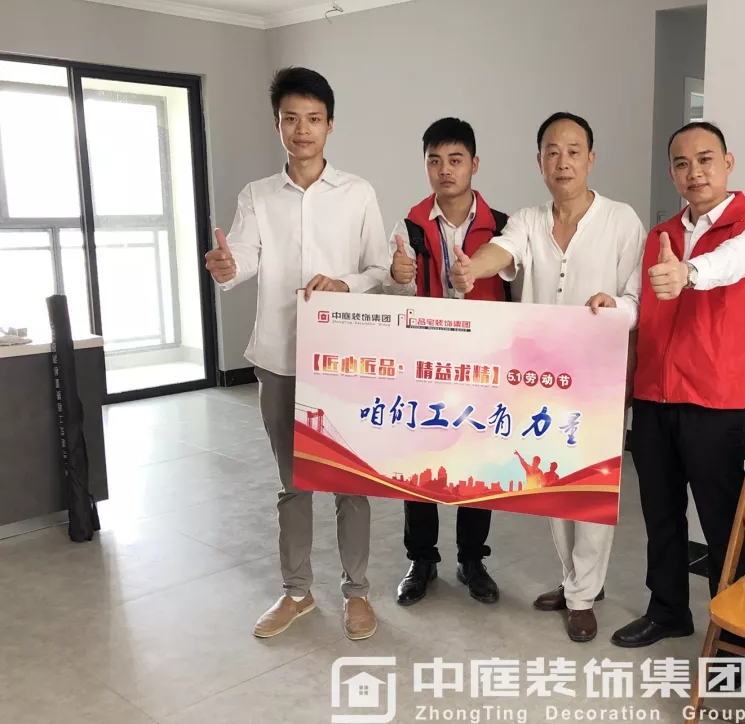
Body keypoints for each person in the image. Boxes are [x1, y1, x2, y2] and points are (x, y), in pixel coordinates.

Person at [204, 67, 390, 641]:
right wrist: (228, 267)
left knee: (350, 481)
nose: (302, 130)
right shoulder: (257, 195)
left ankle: (357, 593)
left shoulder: (358, 193)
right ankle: (297, 591)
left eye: (313, 119)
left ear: (330, 125)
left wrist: (344, 284)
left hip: (342, 360)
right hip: (280, 356)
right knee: (293, 482)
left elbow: (380, 267)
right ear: (277, 125)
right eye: (291, 119)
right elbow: (243, 256)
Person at [448, 112, 645, 642]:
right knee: (553, 482)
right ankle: (575, 580)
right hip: (539, 380)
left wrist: (616, 307)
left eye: (573, 151)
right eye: (552, 152)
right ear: (539, 162)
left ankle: (583, 595)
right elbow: (503, 251)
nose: (563, 162)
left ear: (591, 159)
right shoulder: (529, 220)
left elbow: (636, 298)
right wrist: (471, 267)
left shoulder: (622, 221)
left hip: (598, 377)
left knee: (592, 488)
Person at [612, 121, 745, 663]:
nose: (695, 172)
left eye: (705, 159)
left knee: (723, 524)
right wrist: (612, 308)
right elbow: (640, 301)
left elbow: (731, 264)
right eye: (682, 163)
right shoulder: (660, 234)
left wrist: (687, 272)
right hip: (653, 399)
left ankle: (737, 639)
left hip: (714, 403)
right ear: (672, 172)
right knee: (660, 514)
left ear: (728, 163)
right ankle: (668, 610)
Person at [384, 117, 508, 607]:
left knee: (479, 460)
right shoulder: (410, 226)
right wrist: (398, 276)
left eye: (455, 160)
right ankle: (422, 559)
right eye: (434, 161)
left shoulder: (503, 226)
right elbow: (396, 293)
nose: (445, 170)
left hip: (484, 363)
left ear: (475, 164)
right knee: (421, 463)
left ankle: (472, 559)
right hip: (424, 362)